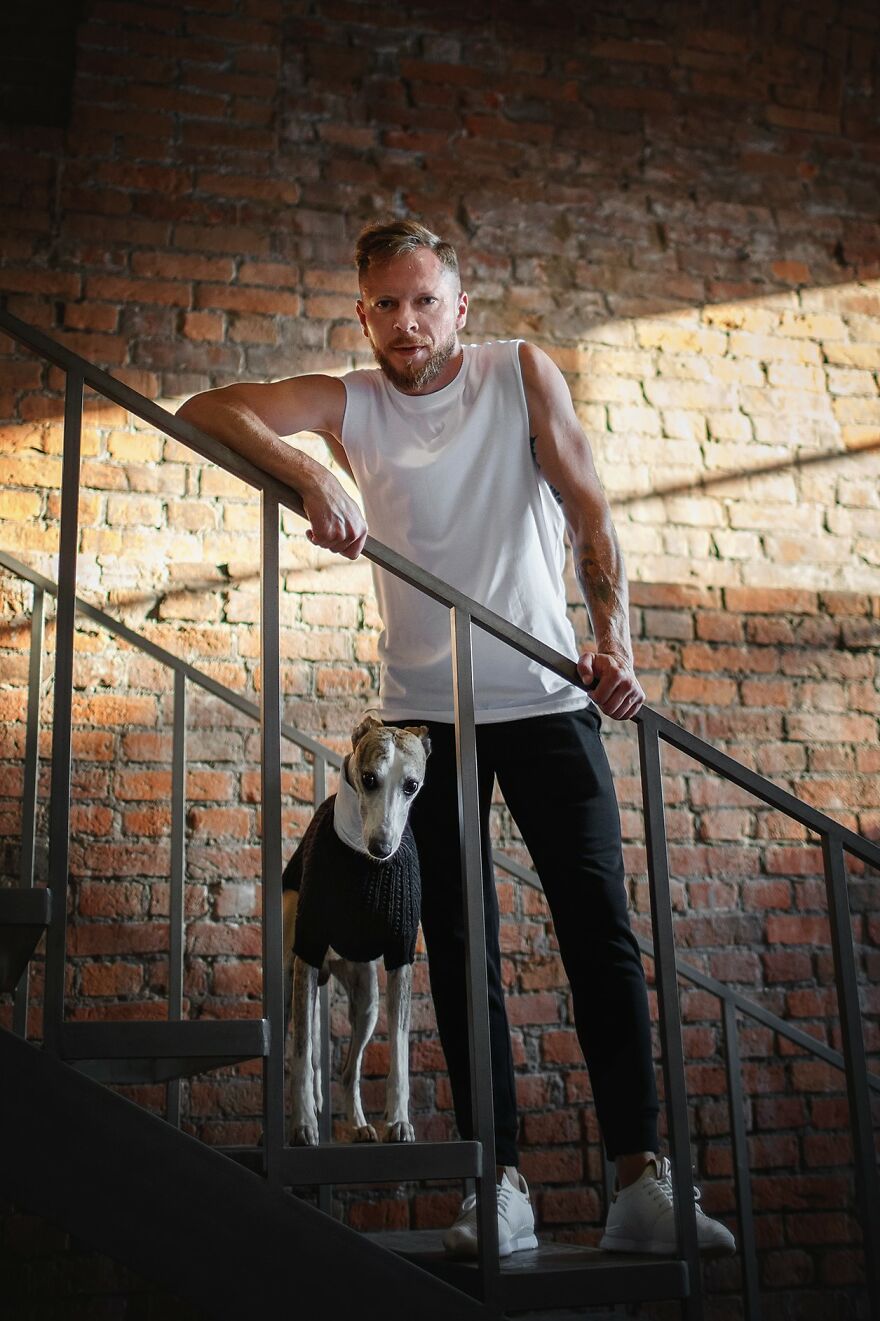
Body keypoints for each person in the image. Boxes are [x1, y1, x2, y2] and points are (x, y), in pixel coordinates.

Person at [177, 219, 735, 1259]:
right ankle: (500, 1182)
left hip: (546, 696)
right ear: (363, 316)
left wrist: (612, 640)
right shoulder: (351, 401)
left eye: (425, 300)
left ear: (459, 307)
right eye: (386, 305)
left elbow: (589, 509)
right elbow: (208, 409)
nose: (407, 322)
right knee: (461, 946)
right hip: (426, 718)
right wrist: (312, 476)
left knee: (600, 935)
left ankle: (637, 1181)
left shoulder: (518, 373)